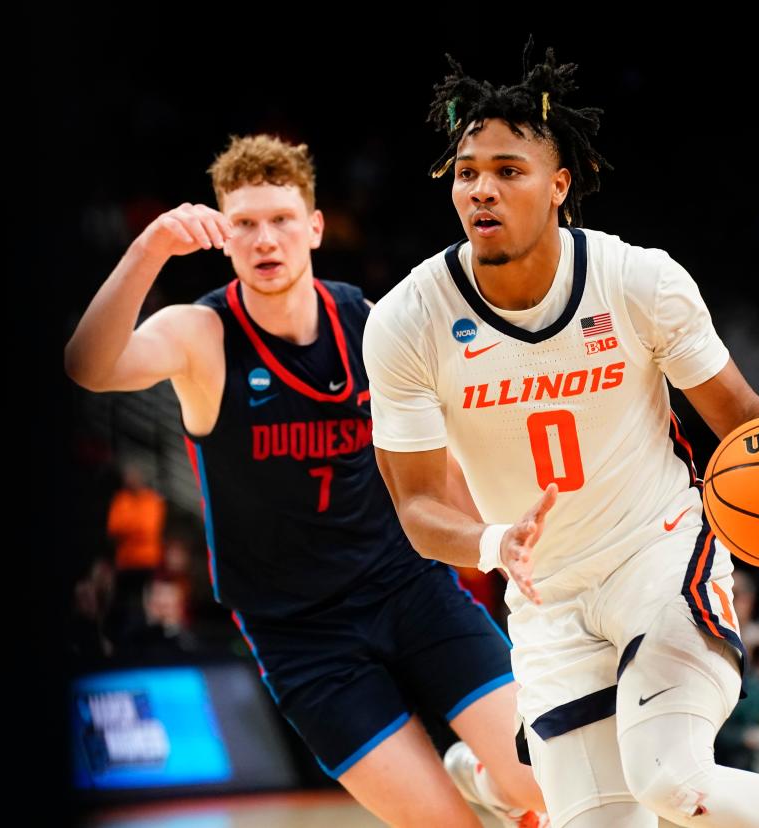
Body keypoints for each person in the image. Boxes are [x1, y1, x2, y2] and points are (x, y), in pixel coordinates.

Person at [364, 43, 759, 827]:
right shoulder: (407, 321)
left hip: (658, 555)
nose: (481, 190)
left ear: (559, 185)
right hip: (546, 602)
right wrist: (495, 544)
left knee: (671, 781)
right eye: (467, 172)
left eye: (508, 169)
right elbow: (420, 506)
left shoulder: (639, 281)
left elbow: (738, 414)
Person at [64, 133, 544, 827]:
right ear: (224, 238)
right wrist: (149, 249)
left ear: (314, 227)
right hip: (301, 635)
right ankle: (468, 784)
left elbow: (436, 464)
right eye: (245, 224)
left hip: (409, 593)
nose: (265, 240)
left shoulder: (371, 322)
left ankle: (486, 775)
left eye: (282, 220)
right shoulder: (201, 335)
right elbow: (88, 365)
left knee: (542, 789)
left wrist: (493, 545)